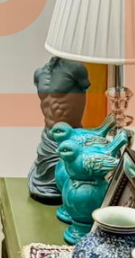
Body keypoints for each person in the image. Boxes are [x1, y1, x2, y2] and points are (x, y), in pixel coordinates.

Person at [27, 57, 91, 204]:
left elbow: (85, 87)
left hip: (69, 136)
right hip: (48, 136)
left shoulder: (76, 69)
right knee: (44, 175)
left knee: (70, 177)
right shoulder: (39, 73)